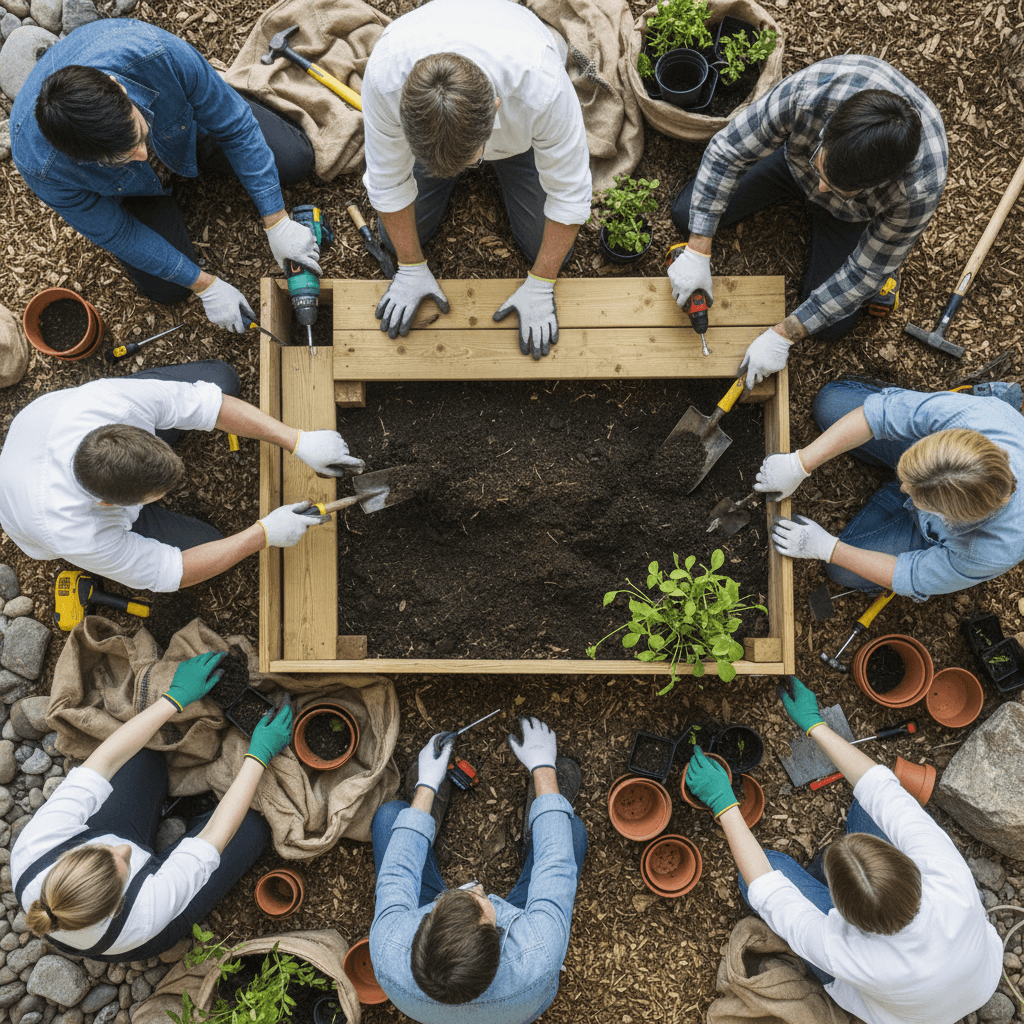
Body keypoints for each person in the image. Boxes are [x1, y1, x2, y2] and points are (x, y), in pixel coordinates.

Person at [684, 676, 1002, 1024]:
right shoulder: (948, 874)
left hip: (899, 1010)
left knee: (764, 871)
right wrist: (814, 724)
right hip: (977, 980)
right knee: (871, 805)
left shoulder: (844, 952)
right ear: (909, 865)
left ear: (842, 914)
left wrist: (723, 804)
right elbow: (880, 787)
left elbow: (765, 891)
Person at [10, 18, 319, 333]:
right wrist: (205, 285)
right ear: (79, 158)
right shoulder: (43, 165)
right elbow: (118, 233)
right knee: (169, 289)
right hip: (134, 193)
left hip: (187, 134)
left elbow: (236, 127)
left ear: (119, 88)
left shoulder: (156, 54)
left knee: (295, 160)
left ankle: (215, 94)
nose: (143, 156)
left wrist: (277, 221)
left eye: (139, 135)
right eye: (123, 157)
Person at [667, 55, 947, 389]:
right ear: (829, 131)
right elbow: (727, 152)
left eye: (838, 186)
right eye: (823, 167)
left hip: (852, 216)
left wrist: (783, 335)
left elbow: (863, 273)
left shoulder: (919, 188)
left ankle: (891, 264)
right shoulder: (812, 93)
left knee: (831, 327)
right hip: (791, 167)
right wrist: (699, 250)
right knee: (687, 215)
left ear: (878, 183)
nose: (822, 188)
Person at [11, 651, 293, 961]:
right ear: (117, 905)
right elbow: (214, 835)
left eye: (104, 850)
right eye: (124, 865)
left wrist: (174, 698)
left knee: (143, 760)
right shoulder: (146, 913)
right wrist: (258, 755)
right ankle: (181, 826)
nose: (125, 849)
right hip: (151, 929)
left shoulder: (36, 847)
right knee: (252, 825)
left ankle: (168, 817)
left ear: (68, 855)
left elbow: (105, 760)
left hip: (86, 892)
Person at [0, 359, 364, 593]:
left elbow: (210, 404)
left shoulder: (110, 403)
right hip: (31, 513)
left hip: (46, 436)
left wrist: (297, 440)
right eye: (154, 495)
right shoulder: (78, 533)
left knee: (220, 379)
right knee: (206, 543)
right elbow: (171, 572)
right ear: (109, 504)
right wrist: (264, 533)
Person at [361, 0, 592, 360]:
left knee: (551, 252)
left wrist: (542, 282)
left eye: (469, 161)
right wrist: (409, 265)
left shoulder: (541, 88)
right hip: (441, 124)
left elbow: (570, 193)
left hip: (521, 138)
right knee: (395, 239)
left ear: (495, 109)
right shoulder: (385, 79)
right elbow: (387, 182)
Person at [369, 717, 587, 1022]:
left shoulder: (388, 948)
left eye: (446, 904)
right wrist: (543, 768)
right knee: (571, 830)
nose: (475, 887)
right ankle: (538, 812)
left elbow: (397, 874)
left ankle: (431, 804)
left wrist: (427, 785)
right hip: (517, 1011)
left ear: (423, 931)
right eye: (482, 901)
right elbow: (556, 866)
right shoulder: (538, 952)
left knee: (390, 818)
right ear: (498, 941)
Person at [755, 377, 1024, 601]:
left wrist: (827, 548)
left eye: (914, 494)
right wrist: (800, 463)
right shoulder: (979, 417)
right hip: (935, 468)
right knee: (831, 402)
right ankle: (907, 477)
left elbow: (912, 575)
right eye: (906, 479)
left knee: (841, 571)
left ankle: (899, 507)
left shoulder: (987, 550)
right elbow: (881, 414)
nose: (904, 486)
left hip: (929, 533)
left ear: (952, 517)